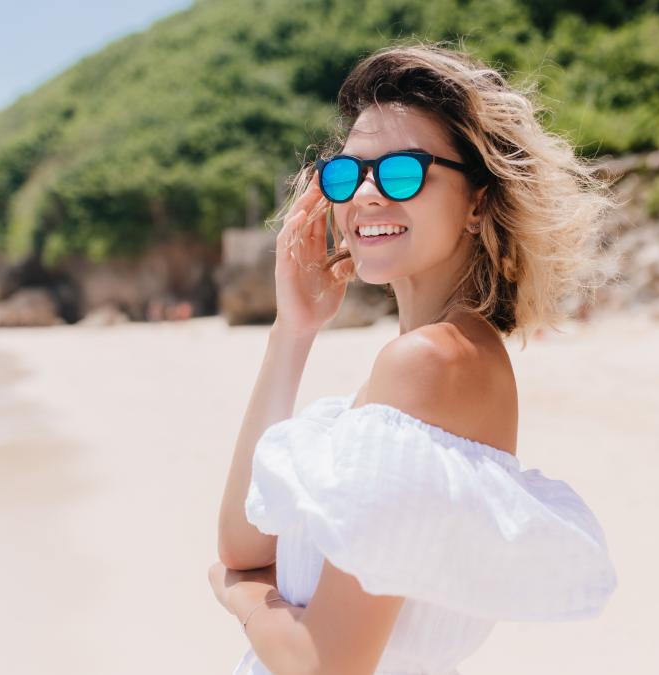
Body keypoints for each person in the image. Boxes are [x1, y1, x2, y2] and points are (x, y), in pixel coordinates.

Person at [212, 40, 620, 675]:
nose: (368, 195)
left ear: (478, 201)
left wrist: (242, 599)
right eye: (348, 174)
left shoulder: (430, 363)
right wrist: (292, 333)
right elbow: (243, 540)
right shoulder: (450, 359)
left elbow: (326, 664)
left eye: (403, 171)